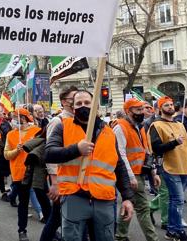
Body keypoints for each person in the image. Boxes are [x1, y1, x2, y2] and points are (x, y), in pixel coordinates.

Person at [45, 89, 135, 241]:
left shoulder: (109, 133)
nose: (83, 106)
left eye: (87, 103)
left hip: (104, 199)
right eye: (78, 103)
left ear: (96, 106)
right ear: (73, 108)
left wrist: (127, 198)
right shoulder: (63, 126)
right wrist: (76, 149)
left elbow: (118, 166)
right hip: (74, 197)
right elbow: (49, 153)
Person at [114, 99, 160, 241]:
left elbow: (146, 151)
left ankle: (121, 236)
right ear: (128, 111)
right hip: (131, 174)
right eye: (138, 110)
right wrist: (130, 177)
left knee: (130, 205)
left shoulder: (139, 127)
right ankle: (152, 238)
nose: (142, 112)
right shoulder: (120, 127)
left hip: (139, 172)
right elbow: (120, 154)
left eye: (142, 109)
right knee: (143, 208)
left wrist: (153, 172)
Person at [148, 96, 187, 241]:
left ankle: (172, 230)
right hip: (169, 167)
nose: (170, 107)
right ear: (160, 108)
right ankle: (176, 230)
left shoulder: (180, 124)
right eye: (166, 105)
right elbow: (156, 148)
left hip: (185, 167)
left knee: (175, 200)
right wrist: (174, 142)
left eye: (171, 104)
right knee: (178, 200)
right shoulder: (156, 125)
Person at [40, 85, 79, 241]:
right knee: (56, 217)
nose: (76, 102)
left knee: (60, 217)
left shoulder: (80, 120)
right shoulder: (58, 121)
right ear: (64, 102)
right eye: (73, 99)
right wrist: (54, 183)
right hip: (62, 180)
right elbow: (50, 155)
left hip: (77, 179)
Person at [4, 108, 41, 241]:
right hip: (20, 174)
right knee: (23, 203)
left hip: (37, 173)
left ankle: (52, 230)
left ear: (24, 118)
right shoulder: (10, 134)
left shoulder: (36, 131)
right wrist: (16, 151)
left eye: (15, 117)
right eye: (13, 117)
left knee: (46, 203)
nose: (13, 119)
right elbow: (6, 155)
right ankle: (22, 230)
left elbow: (43, 149)